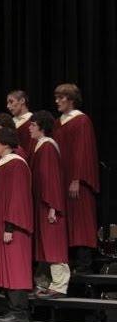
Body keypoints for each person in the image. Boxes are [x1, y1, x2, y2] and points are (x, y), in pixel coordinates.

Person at [52, 83, 100, 275]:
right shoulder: (57, 123)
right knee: (66, 220)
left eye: (61, 98)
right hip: (61, 179)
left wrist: (77, 179)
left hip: (76, 180)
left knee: (81, 219)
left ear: (71, 99)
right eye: (56, 97)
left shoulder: (81, 121)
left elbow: (83, 152)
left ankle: (84, 262)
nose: (57, 101)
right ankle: (69, 261)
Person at [0, 127, 33, 322]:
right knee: (8, 268)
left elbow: (17, 198)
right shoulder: (4, 163)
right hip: (5, 226)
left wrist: (9, 226)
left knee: (16, 268)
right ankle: (13, 309)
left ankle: (20, 311)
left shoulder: (16, 165)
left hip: (14, 228)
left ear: (5, 143)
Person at [29, 111, 70, 298]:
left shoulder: (48, 147)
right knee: (45, 243)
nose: (29, 127)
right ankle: (45, 283)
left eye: (33, 124)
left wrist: (53, 206)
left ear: (42, 127)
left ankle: (60, 285)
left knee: (54, 243)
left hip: (49, 204)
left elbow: (52, 179)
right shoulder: (39, 146)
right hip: (42, 203)